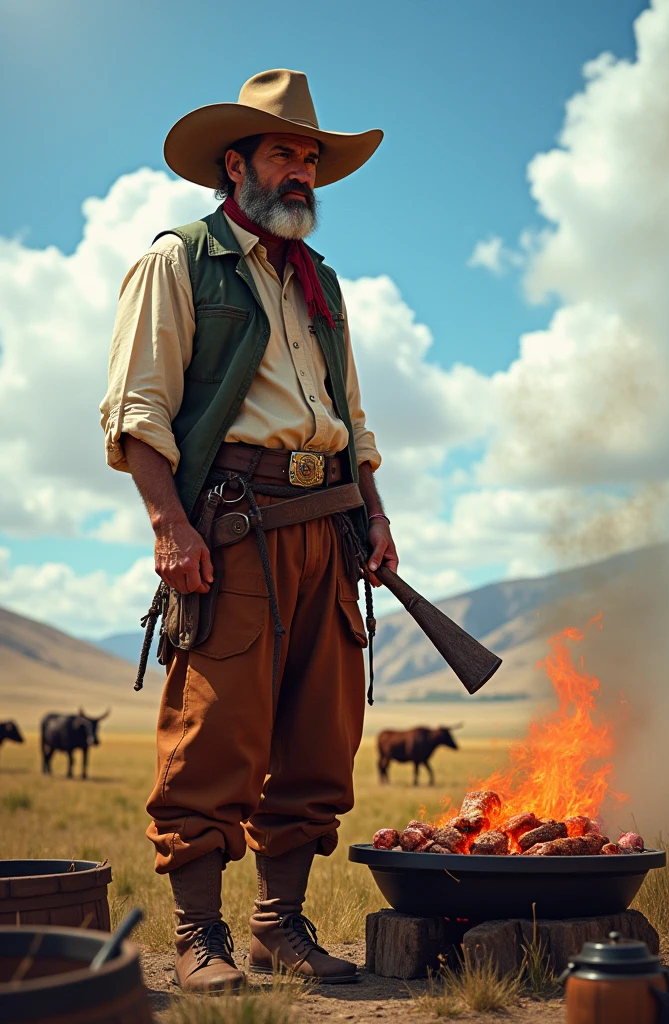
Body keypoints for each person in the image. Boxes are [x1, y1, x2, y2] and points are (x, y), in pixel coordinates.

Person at [100, 68, 398, 992]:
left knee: (320, 739)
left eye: (311, 156)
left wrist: (376, 516)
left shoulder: (324, 286)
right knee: (215, 734)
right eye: (285, 152)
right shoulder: (180, 260)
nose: (302, 170)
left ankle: (280, 928)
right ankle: (198, 938)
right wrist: (169, 526)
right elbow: (136, 409)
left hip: (330, 527)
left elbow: (350, 416)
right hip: (232, 529)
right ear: (236, 165)